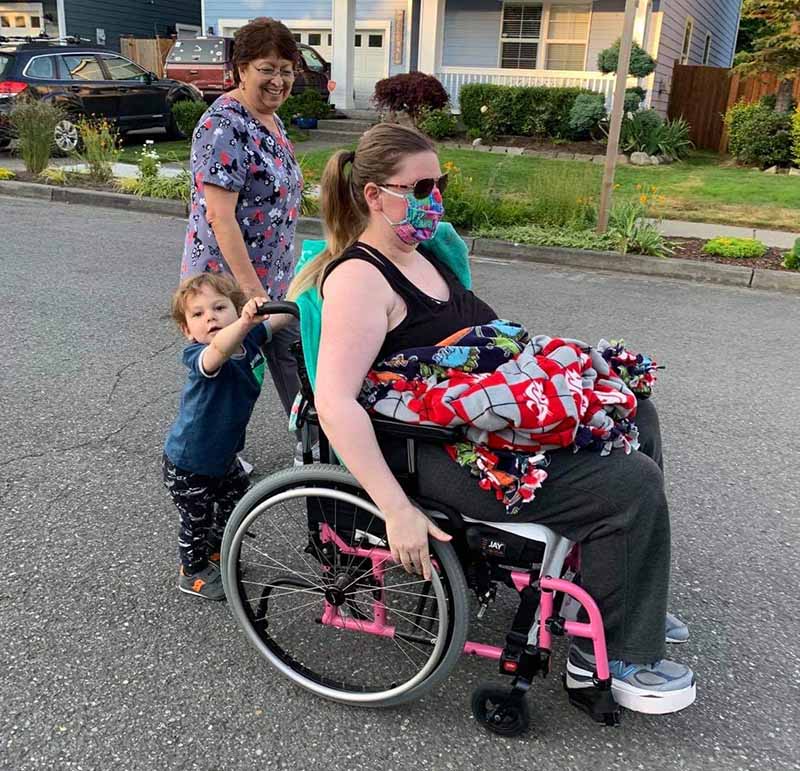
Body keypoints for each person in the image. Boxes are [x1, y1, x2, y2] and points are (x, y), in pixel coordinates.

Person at [287, 123, 696, 714]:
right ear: (375, 196)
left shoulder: (426, 255)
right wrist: (396, 510)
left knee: (635, 409)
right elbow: (334, 402)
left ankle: (618, 594)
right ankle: (602, 660)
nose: (435, 198)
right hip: (437, 452)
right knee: (630, 483)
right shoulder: (358, 278)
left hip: (477, 423)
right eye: (420, 186)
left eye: (440, 183)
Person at [180, 17, 305, 444]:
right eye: (267, 69)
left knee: (295, 359)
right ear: (241, 69)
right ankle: (205, 464)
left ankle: (315, 448)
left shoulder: (270, 120)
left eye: (286, 70)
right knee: (226, 382)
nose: (278, 80)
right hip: (228, 287)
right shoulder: (224, 125)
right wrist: (253, 294)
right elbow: (220, 216)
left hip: (273, 279)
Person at [163, 273, 274, 600]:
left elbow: (277, 321)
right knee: (195, 522)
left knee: (238, 497)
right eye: (197, 314)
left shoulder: (249, 340)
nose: (209, 317)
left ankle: (215, 550)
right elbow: (219, 352)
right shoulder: (200, 354)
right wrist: (242, 323)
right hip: (189, 464)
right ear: (187, 330)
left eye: (219, 307)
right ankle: (191, 570)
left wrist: (304, 298)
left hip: (224, 456)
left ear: (235, 308)